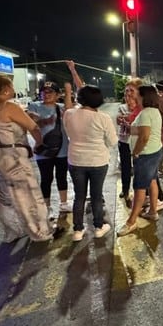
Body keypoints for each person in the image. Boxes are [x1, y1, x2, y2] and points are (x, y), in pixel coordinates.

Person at [0, 69, 56, 243]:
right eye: (11, 86)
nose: (13, 89)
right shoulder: (8, 106)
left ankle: (12, 230)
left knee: (3, 194)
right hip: (11, 156)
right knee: (26, 193)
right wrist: (38, 143)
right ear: (6, 89)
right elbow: (33, 127)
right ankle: (39, 232)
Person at [63, 85, 118, 242]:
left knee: (79, 196)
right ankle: (99, 227)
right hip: (97, 161)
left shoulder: (69, 114)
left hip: (75, 160)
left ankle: (78, 230)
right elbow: (113, 141)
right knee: (96, 195)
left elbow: (68, 133)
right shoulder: (103, 118)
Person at [117, 85, 163, 236]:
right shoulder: (154, 111)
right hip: (154, 152)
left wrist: (136, 153)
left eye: (137, 94)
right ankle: (152, 211)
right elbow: (142, 130)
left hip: (145, 155)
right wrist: (130, 127)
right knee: (151, 181)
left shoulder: (145, 113)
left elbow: (144, 136)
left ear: (144, 96)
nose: (134, 96)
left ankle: (131, 222)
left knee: (139, 188)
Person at [27, 80, 73, 221]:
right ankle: (47, 208)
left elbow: (70, 111)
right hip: (44, 150)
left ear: (57, 95)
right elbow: (31, 122)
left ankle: (63, 203)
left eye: (50, 92)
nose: (46, 94)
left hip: (62, 149)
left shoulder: (61, 108)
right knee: (46, 179)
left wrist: (68, 91)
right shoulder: (34, 106)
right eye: (43, 92)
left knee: (61, 176)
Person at [116, 78, 143, 207]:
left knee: (139, 168)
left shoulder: (142, 108)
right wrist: (124, 120)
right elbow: (120, 121)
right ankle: (125, 190)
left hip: (137, 142)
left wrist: (128, 120)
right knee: (125, 167)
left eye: (131, 91)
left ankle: (140, 191)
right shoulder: (122, 107)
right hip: (124, 141)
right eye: (126, 91)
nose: (128, 94)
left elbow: (135, 125)